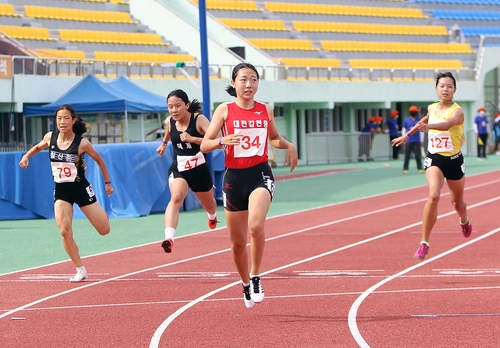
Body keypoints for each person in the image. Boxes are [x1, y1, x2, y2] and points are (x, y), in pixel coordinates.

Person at [200, 62, 298, 309]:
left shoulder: (266, 110)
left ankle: (255, 276)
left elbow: (273, 138)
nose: (248, 84)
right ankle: (244, 282)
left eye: (253, 79)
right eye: (243, 79)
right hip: (234, 178)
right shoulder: (225, 110)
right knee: (236, 244)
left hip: (260, 174)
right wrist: (223, 139)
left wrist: (289, 145)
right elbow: (204, 145)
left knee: (256, 225)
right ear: (233, 83)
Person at [18, 104, 114, 282]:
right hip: (62, 190)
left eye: (66, 118)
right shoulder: (50, 137)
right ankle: (80, 269)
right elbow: (38, 147)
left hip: (80, 188)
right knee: (64, 231)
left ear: (73, 120)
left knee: (104, 230)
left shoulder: (82, 143)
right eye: (59, 118)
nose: (62, 122)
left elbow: (100, 161)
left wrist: (107, 183)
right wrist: (26, 156)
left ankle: (102, 214)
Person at [392, 72, 472, 260]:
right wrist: (407, 135)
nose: (445, 89)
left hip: (454, 161)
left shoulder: (458, 111)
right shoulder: (432, 107)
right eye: (442, 86)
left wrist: (430, 128)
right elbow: (424, 120)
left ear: (455, 90)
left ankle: (464, 219)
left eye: (449, 86)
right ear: (436, 88)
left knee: (457, 203)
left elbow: (447, 124)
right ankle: (424, 242)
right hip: (435, 159)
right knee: (434, 195)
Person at [156, 89, 218, 254]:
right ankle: (169, 238)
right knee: (176, 197)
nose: (174, 110)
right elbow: (169, 131)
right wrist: (163, 143)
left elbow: (217, 141)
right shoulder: (170, 121)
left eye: (178, 106)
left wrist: (193, 139)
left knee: (210, 204)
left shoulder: (199, 120)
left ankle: (212, 217)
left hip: (199, 170)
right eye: (170, 107)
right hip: (179, 168)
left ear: (187, 105)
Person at [402, 106, 424, 174]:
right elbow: (404, 130)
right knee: (407, 156)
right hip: (409, 141)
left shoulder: (419, 120)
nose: (413, 113)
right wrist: (404, 139)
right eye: (412, 111)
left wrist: (421, 140)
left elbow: (421, 131)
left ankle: (420, 168)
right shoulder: (406, 120)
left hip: (417, 141)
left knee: (418, 155)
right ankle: (405, 169)